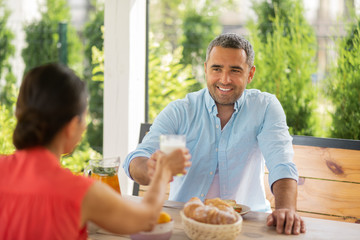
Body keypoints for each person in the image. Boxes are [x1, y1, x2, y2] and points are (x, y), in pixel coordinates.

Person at [123, 33, 306, 235]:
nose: (224, 79)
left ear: (250, 73)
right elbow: (136, 159)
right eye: (216, 69)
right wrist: (153, 169)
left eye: (235, 70)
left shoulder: (265, 107)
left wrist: (286, 209)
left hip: (248, 224)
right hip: (187, 223)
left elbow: (281, 163)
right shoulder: (181, 111)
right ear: (205, 69)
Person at [0, 63, 191, 239]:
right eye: (85, 116)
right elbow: (146, 218)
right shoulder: (80, 192)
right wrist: (163, 172)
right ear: (72, 126)